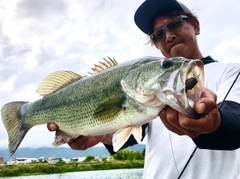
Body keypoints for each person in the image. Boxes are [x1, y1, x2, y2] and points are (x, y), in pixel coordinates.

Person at [48, 0, 240, 178]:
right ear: (156, 45)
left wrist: (214, 123)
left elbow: (236, 122)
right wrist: (102, 135)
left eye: (174, 24)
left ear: (195, 26)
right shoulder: (153, 92)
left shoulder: (231, 72)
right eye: (157, 35)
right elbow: (133, 131)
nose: (169, 36)